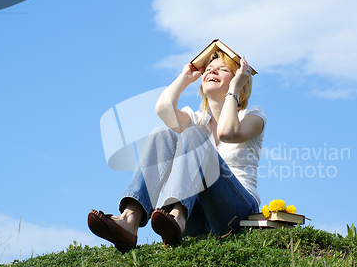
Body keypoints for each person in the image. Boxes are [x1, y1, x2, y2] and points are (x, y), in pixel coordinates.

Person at [88, 50, 266, 253]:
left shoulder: (253, 115)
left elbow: (227, 132)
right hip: (196, 216)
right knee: (161, 133)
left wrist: (234, 87)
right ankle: (131, 218)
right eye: (208, 69)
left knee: (193, 136)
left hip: (235, 212)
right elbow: (163, 108)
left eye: (222, 69)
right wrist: (184, 77)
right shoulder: (197, 119)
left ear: (239, 79)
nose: (211, 72)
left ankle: (177, 215)